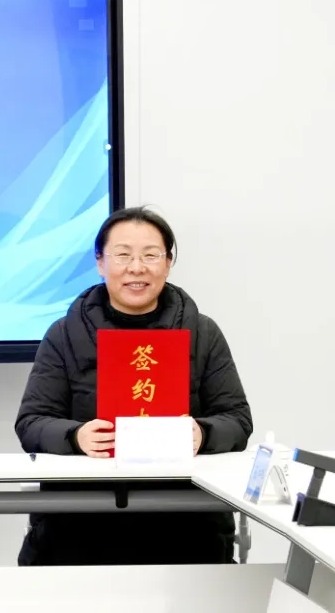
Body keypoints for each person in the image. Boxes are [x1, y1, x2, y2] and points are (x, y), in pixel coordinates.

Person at [14, 206, 253, 566]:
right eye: (123, 255)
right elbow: (31, 423)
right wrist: (76, 437)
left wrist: (203, 433)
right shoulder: (65, 334)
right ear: (100, 262)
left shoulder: (202, 332)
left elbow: (237, 420)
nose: (136, 268)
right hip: (82, 521)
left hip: (186, 520)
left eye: (150, 255)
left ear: (168, 263)